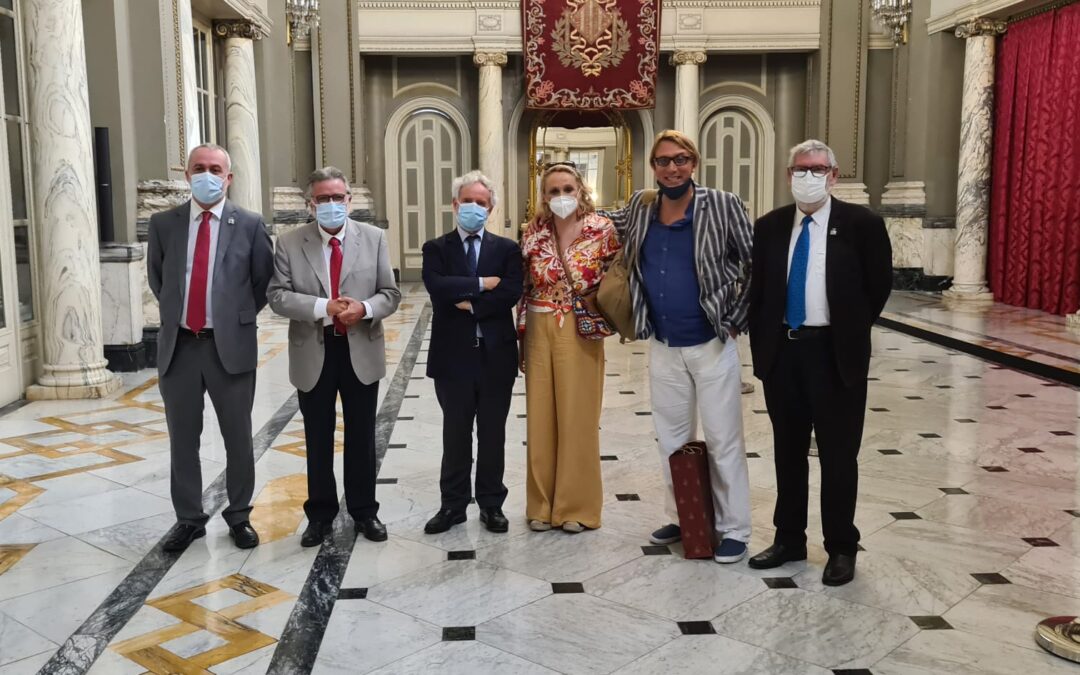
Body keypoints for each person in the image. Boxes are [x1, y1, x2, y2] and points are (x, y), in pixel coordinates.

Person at [603, 130, 754, 564]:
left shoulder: (722, 204)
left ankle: (734, 528)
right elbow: (606, 223)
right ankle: (682, 515)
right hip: (664, 344)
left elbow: (753, 262)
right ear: (653, 166)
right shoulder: (642, 205)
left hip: (710, 342)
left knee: (724, 438)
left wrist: (735, 319)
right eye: (664, 160)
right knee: (671, 437)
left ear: (694, 163)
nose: (672, 168)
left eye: (681, 159)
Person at [747, 139, 892, 585]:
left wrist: (845, 331)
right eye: (800, 169)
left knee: (837, 454)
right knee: (788, 451)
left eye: (817, 169)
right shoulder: (770, 226)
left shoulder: (862, 224)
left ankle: (841, 546)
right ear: (789, 174)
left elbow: (878, 286)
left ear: (833, 175)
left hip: (834, 356)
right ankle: (789, 537)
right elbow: (760, 290)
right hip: (783, 353)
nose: (807, 176)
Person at [148, 143, 274, 552]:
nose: (207, 175)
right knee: (182, 439)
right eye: (199, 168)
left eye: (215, 169)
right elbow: (158, 280)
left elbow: (262, 283)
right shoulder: (164, 223)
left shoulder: (250, 224)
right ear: (187, 175)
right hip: (180, 348)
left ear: (229, 177)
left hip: (229, 348)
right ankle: (188, 519)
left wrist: (231, 317)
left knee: (238, 437)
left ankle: (239, 516)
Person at [267, 167, 401, 547]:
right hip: (315, 349)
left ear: (349, 201)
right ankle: (320, 515)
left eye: (337, 198)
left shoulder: (373, 239)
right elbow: (278, 296)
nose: (330, 204)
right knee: (317, 437)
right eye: (322, 199)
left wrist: (365, 308)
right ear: (311, 204)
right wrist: (324, 306)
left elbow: (389, 293)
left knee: (361, 436)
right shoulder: (290, 243)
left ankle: (364, 511)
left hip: (360, 347)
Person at [517, 163, 620, 533]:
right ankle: (541, 505)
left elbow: (618, 276)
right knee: (541, 417)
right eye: (553, 191)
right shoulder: (533, 233)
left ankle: (577, 507)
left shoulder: (602, 230)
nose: (561, 196)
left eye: (568, 189)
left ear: (581, 191)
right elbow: (525, 283)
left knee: (578, 417)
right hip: (538, 327)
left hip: (579, 328)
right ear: (543, 196)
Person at [420, 171, 523, 535]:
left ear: (491, 208)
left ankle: (492, 504)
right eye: (468, 201)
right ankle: (453, 505)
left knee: (493, 434)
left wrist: (473, 306)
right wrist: (482, 284)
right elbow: (437, 286)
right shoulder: (437, 248)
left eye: (481, 203)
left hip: (496, 356)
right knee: (456, 433)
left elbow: (510, 292)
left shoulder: (507, 249)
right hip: (453, 358)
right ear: (454, 204)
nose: (474, 208)